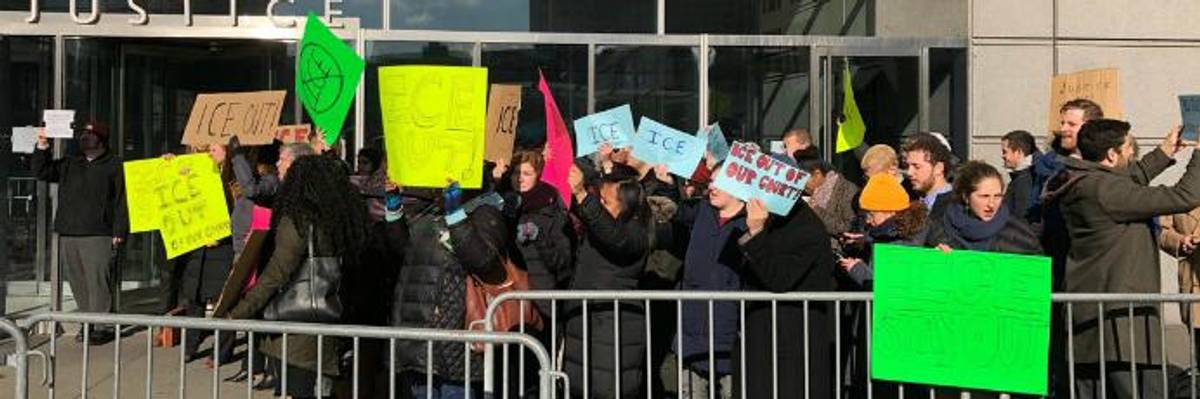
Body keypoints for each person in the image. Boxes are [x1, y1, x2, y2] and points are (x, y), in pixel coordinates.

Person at [1043, 120, 1200, 398]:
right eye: (1129, 148)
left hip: (1098, 326)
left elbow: (1129, 177)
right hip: (1120, 330)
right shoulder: (1105, 190)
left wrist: (1164, 152)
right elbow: (1184, 195)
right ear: (1112, 155)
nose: (1133, 154)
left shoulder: (1085, 179)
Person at [226, 155, 369, 399]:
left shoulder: (299, 220)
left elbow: (277, 272)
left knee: (302, 391)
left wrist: (237, 312)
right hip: (329, 323)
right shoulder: (340, 220)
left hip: (298, 332)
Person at [390, 181, 511, 398]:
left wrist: (456, 217)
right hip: (418, 340)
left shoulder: (486, 212)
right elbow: (406, 251)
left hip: (455, 342)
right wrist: (393, 208)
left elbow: (483, 260)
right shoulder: (430, 215)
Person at [563, 165, 655, 398]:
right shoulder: (601, 227)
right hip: (584, 322)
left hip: (613, 328)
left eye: (606, 203)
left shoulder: (636, 233)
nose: (600, 207)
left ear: (627, 207)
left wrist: (583, 196)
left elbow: (614, 236)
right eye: (599, 201)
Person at [32, 122, 127, 344]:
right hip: (69, 231)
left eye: (90, 135)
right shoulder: (70, 163)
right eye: (83, 134)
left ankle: (102, 326)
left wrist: (119, 231)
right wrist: (42, 144)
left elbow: (123, 201)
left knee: (97, 281)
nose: (85, 138)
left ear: (101, 139)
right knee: (78, 281)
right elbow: (42, 171)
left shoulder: (115, 165)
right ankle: (87, 323)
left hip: (98, 232)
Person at [734, 194, 835, 399]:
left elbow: (779, 278)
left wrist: (756, 231)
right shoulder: (780, 222)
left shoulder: (807, 229)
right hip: (768, 334)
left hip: (791, 339)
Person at [671, 185, 747, 399]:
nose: (712, 188)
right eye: (711, 181)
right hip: (691, 329)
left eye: (720, 183)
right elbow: (674, 210)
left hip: (730, 334)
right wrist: (667, 184)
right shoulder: (701, 210)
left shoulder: (752, 221)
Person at [928, 161, 1041, 255]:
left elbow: (1038, 275)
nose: (991, 204)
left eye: (997, 196)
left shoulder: (1019, 235)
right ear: (966, 197)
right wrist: (935, 261)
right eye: (984, 196)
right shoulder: (938, 227)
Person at [837, 174, 929, 288]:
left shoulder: (905, 241)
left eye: (872, 214)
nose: (868, 221)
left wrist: (858, 270)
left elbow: (892, 287)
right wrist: (864, 240)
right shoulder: (896, 233)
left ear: (891, 212)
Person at [798, 157, 860, 238]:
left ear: (817, 174)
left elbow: (847, 227)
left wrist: (816, 210)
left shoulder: (846, 190)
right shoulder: (807, 193)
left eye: (803, 179)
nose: (801, 186)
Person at [901, 132, 955, 224]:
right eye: (907, 166)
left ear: (938, 168)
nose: (909, 172)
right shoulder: (908, 200)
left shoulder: (956, 207)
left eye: (916, 166)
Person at [1000, 130, 1040, 223]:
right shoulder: (1024, 176)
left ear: (1018, 152)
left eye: (1005, 151)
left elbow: (1021, 218)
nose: (1002, 156)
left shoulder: (1024, 180)